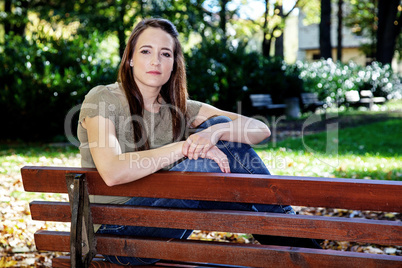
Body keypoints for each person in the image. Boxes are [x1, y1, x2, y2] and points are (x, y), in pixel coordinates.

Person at [78, 18, 320, 266]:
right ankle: (308, 250)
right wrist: (186, 145)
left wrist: (214, 133)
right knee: (211, 162)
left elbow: (261, 129)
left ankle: (301, 247)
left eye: (165, 54)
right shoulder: (104, 98)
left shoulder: (182, 110)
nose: (155, 61)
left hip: (164, 226)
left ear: (174, 64)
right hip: (117, 236)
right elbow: (112, 171)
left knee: (224, 128)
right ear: (129, 58)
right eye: (145, 51)